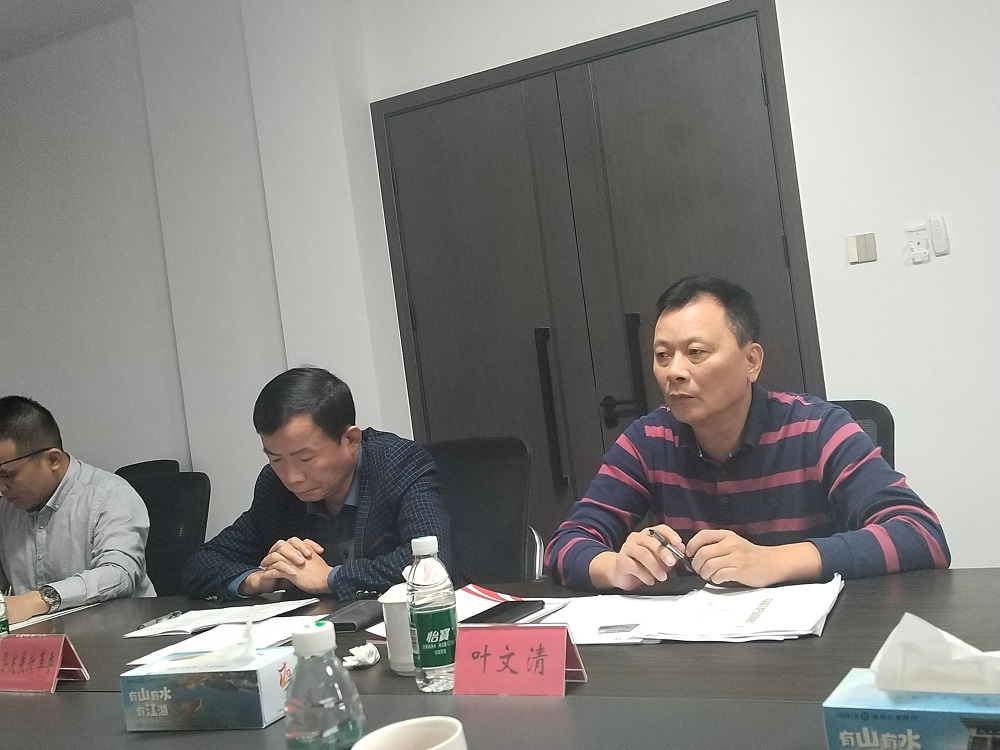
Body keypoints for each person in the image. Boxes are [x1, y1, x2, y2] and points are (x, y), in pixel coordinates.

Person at [545, 275, 950, 592]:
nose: (675, 371)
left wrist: (774, 561)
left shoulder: (817, 430)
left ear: (751, 361)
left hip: (817, 642)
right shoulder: (648, 441)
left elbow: (920, 534)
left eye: (696, 352)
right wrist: (616, 566)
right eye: (663, 355)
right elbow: (565, 544)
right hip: (701, 647)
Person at [183, 367, 454, 601]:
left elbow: (433, 562)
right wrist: (259, 579)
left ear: (350, 440)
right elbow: (201, 563)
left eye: (305, 458)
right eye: (276, 459)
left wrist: (329, 578)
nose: (292, 477)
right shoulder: (275, 487)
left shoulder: (397, 463)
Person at [0, 396, 155, 624]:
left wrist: (40, 599)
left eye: (7, 475)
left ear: (52, 459)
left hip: (118, 633)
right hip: (38, 638)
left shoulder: (110, 495)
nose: (2, 487)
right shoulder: (6, 508)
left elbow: (120, 574)